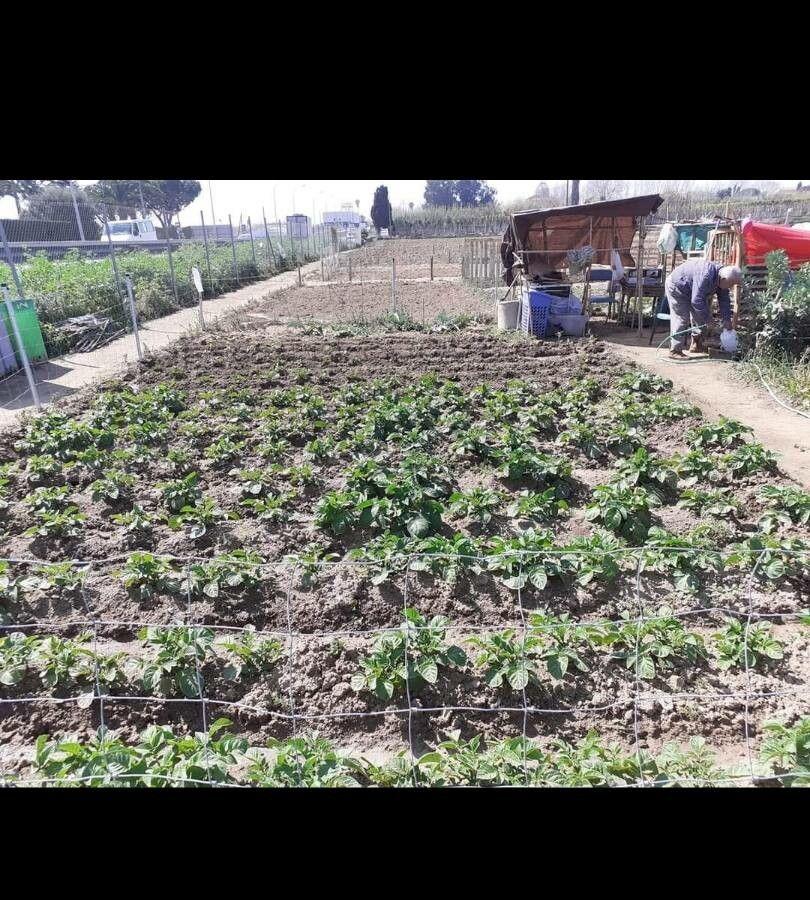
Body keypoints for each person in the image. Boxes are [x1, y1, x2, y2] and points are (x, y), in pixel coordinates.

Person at [665, 260, 742, 359]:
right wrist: (709, 320)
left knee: (699, 316)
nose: (731, 287)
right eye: (731, 284)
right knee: (682, 318)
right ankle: (675, 350)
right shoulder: (706, 275)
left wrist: (727, 320)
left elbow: (724, 301)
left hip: (692, 289)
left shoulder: (722, 277)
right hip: (677, 286)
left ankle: (696, 344)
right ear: (723, 279)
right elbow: (697, 301)